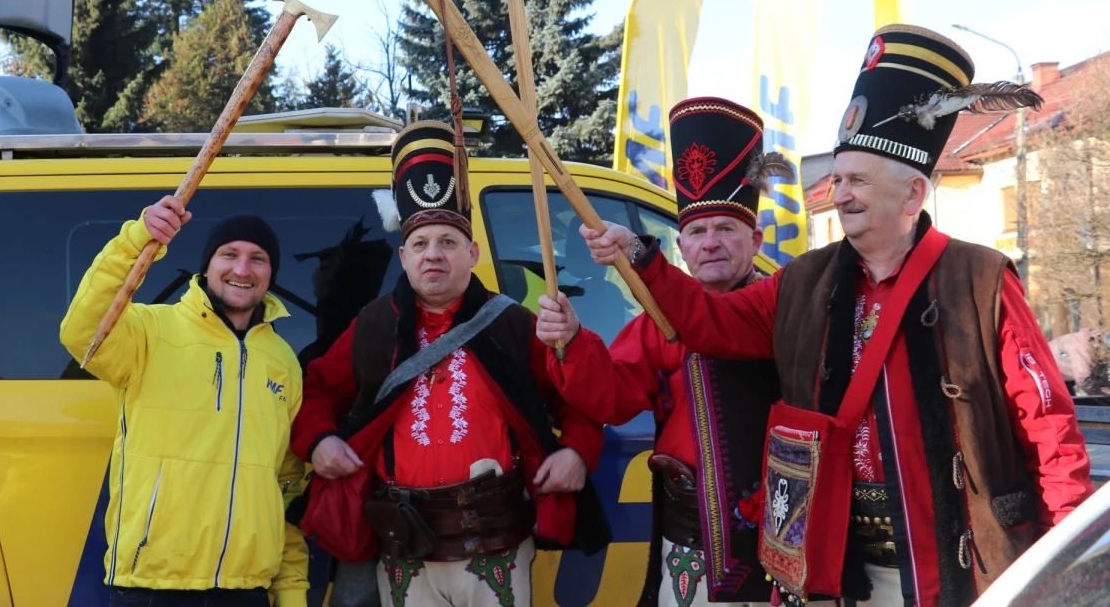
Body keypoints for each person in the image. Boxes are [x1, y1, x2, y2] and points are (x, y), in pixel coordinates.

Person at [575, 25, 1094, 607]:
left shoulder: (982, 279)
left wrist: (1064, 555)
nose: (839, 194)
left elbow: (1048, 425)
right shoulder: (802, 280)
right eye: (838, 178)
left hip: (958, 560)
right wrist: (643, 258)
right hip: (839, 566)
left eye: (857, 181)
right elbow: (706, 325)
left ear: (912, 193)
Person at [290, 120, 611, 607]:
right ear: (403, 257)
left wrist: (577, 454)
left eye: (447, 242)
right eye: (420, 245)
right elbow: (315, 389)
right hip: (403, 545)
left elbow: (580, 398)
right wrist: (319, 441)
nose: (433, 255)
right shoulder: (373, 326)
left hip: (496, 542)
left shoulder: (514, 325)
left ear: (472, 253)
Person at [537, 97, 833, 607]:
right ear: (682, 244)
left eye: (726, 230)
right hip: (685, 537)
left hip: (773, 536)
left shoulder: (784, 308)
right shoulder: (658, 320)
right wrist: (570, 339)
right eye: (696, 231)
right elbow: (610, 397)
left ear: (756, 238)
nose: (710, 243)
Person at [59, 201, 310, 607]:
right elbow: (81, 332)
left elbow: (287, 485)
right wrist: (136, 240)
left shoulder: (282, 362)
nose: (242, 270)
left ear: (271, 274)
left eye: (257, 259)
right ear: (207, 267)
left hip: (245, 591)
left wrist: (292, 591)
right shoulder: (149, 330)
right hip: (152, 587)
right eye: (229, 255)